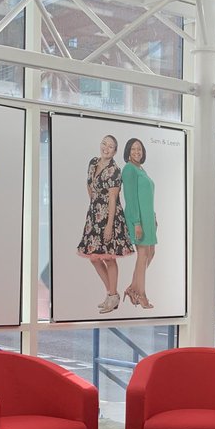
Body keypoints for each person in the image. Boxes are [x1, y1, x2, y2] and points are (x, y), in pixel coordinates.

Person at [76, 134, 134, 313]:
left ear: (115, 151)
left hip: (111, 217)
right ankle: (112, 294)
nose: (106, 148)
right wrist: (94, 206)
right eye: (104, 144)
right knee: (94, 257)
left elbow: (113, 198)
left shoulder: (114, 170)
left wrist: (109, 225)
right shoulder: (93, 163)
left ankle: (112, 296)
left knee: (109, 257)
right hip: (94, 216)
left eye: (110, 146)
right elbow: (89, 185)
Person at [121, 138, 157, 310]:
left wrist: (153, 216)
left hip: (148, 218)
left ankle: (132, 288)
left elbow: (146, 196)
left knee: (150, 253)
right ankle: (141, 295)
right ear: (128, 151)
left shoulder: (140, 169)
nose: (137, 152)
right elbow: (130, 198)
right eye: (134, 149)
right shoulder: (129, 169)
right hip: (137, 218)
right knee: (142, 255)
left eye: (139, 149)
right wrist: (136, 223)